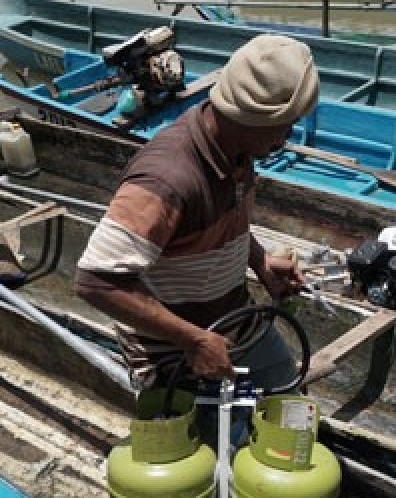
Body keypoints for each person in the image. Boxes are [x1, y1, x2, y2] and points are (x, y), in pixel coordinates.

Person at [73, 34, 320, 392]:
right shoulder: (167, 180)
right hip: (173, 351)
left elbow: (225, 218)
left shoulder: (236, 149)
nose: (288, 136)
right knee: (220, 444)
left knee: (289, 403)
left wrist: (261, 262)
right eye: (285, 124)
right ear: (249, 117)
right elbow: (95, 282)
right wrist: (194, 341)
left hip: (238, 321)